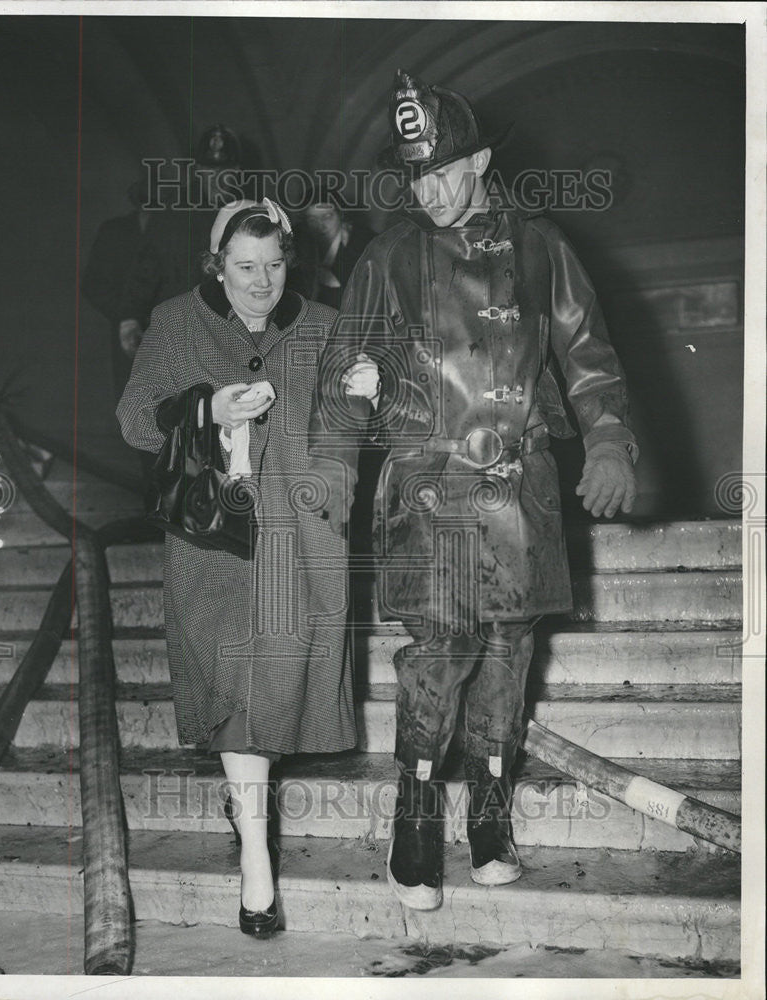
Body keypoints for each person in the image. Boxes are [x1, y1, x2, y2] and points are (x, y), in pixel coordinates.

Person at [308, 71, 638, 910]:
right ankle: (414, 824)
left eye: (443, 170)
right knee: (443, 653)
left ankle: (489, 825)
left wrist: (607, 437)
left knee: (507, 659)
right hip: (428, 488)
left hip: (520, 488)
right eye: (415, 176)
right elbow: (346, 375)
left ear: (482, 160)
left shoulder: (539, 245)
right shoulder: (388, 258)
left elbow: (586, 348)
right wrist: (334, 468)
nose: (429, 190)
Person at [117, 199, 356, 937]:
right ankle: (257, 863)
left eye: (276, 266)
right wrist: (207, 408)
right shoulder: (176, 321)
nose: (261, 283)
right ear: (217, 266)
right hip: (210, 540)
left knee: (269, 696)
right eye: (245, 268)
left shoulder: (323, 326)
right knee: (235, 695)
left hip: (294, 540)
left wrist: (362, 406)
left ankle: (247, 813)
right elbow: (131, 418)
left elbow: (355, 424)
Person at [117, 124, 245, 354]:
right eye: (209, 170)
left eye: (224, 171)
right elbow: (147, 265)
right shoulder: (174, 211)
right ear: (197, 170)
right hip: (181, 329)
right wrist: (130, 317)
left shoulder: (249, 214)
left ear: (236, 170)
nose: (216, 178)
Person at [81, 178, 151, 400]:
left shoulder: (178, 234)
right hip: (129, 337)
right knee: (132, 404)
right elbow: (93, 284)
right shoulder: (114, 231)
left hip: (174, 334)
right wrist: (126, 316)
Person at [292, 186, 374, 310]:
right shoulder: (297, 239)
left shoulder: (365, 242)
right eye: (312, 219)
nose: (320, 226)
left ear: (340, 214)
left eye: (327, 217)